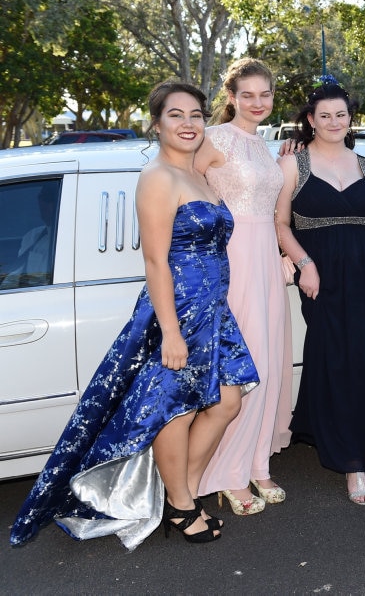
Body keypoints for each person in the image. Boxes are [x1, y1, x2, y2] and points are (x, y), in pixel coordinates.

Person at [10, 81, 258, 549]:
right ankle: (182, 507)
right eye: (175, 115)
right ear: (157, 123)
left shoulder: (200, 174)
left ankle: (177, 491)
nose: (187, 124)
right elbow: (155, 261)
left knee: (228, 400)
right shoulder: (158, 177)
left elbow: (250, 160)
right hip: (178, 310)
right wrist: (169, 332)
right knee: (177, 410)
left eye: (195, 115)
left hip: (213, 309)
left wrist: (295, 144)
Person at [275, 78, 365, 505]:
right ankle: (350, 463)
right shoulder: (294, 163)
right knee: (336, 361)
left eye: (341, 115)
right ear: (310, 120)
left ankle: (364, 451)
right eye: (324, 115)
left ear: (350, 120)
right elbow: (279, 224)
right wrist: (305, 264)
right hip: (322, 277)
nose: (333, 121)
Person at [194, 58, 292, 515]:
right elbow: (181, 195)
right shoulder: (214, 140)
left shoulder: (266, 145)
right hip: (232, 263)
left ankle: (256, 462)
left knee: (269, 365)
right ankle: (227, 473)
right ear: (231, 97)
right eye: (247, 94)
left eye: (265, 94)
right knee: (242, 370)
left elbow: (276, 210)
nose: (257, 102)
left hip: (266, 263)